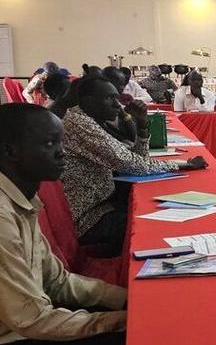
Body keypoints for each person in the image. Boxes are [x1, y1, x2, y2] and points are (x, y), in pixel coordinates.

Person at [0, 104, 128, 345]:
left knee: (134, 327)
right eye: (49, 143)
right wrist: (122, 321)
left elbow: (58, 281)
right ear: (10, 152)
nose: (62, 152)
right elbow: (31, 319)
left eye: (61, 142)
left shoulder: (22, 200)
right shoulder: (3, 216)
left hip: (24, 327)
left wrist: (124, 299)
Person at [62, 76, 206, 252]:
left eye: (117, 97)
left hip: (104, 204)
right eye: (109, 98)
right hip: (88, 219)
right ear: (88, 100)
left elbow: (135, 158)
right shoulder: (80, 124)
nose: (117, 105)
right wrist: (182, 164)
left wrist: (142, 125)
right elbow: (133, 164)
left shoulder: (91, 119)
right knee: (154, 226)